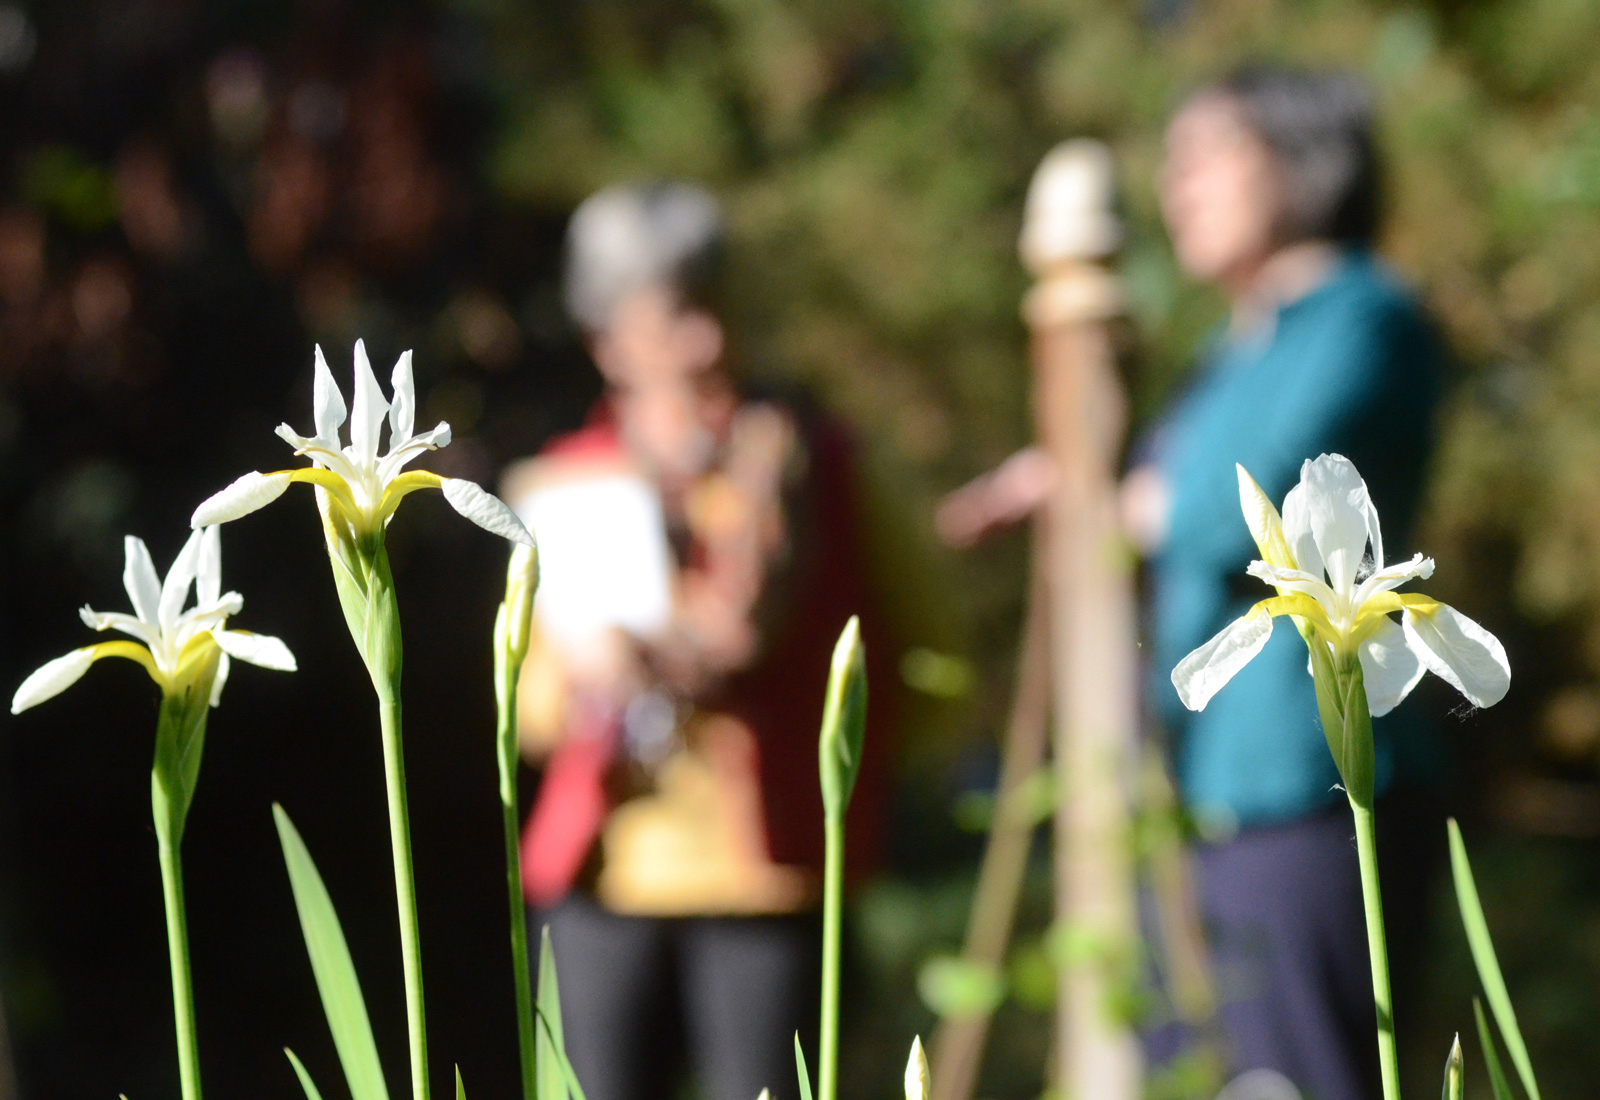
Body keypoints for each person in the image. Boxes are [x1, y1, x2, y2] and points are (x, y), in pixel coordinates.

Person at [939, 68, 1443, 1100]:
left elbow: (1265, 494)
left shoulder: (1365, 318)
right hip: (1196, 780)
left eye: (1206, 154)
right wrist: (1066, 484)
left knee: (1295, 1073)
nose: (1177, 185)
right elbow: (1156, 487)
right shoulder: (1225, 350)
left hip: (1309, 772)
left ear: (1304, 160)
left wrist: (1108, 502)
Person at [503, 182, 887, 1100]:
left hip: (765, 860)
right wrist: (591, 670)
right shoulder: (564, 486)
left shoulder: (800, 455)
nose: (708, 342)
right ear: (607, 341)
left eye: (713, 306)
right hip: (602, 868)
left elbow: (871, 635)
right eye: (675, 317)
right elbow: (529, 710)